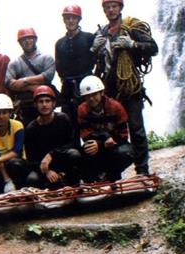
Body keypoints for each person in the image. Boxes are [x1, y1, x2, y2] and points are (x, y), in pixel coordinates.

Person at [91, 0, 158, 176]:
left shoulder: (131, 27)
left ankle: (142, 171)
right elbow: (93, 64)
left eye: (114, 6)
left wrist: (133, 45)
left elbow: (153, 48)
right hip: (109, 90)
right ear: (104, 10)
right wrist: (94, 49)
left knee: (136, 129)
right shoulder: (101, 33)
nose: (111, 10)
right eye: (107, 7)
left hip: (130, 87)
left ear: (120, 8)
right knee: (111, 132)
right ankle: (114, 172)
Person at [78, 75, 134, 183]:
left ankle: (112, 176)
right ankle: (93, 178)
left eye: (94, 94)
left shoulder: (115, 107)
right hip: (96, 145)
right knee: (82, 153)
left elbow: (123, 134)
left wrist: (112, 141)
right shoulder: (82, 110)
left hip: (116, 144)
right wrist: (101, 143)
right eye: (87, 96)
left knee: (126, 152)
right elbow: (85, 133)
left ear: (101, 92)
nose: (91, 99)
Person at [25, 85, 81, 189]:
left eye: (47, 101)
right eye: (40, 102)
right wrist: (47, 171)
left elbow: (72, 143)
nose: (44, 105)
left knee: (74, 154)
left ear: (53, 103)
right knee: (32, 179)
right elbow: (31, 159)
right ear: (35, 105)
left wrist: (52, 154)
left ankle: (72, 182)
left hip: (62, 161)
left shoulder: (63, 119)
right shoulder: (31, 129)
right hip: (43, 167)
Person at [55, 5, 95, 148]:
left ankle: (95, 162)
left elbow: (97, 60)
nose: (70, 20)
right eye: (67, 18)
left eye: (73, 17)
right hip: (67, 88)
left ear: (79, 19)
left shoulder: (89, 38)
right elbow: (58, 67)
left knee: (89, 123)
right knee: (69, 125)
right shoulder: (59, 43)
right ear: (64, 20)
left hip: (86, 86)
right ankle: (76, 164)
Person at [5, 27, 56, 126]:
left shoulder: (46, 58)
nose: (27, 41)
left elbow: (47, 77)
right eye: (24, 39)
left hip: (44, 103)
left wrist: (24, 81)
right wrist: (33, 87)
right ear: (20, 43)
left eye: (30, 38)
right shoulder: (15, 63)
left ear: (35, 39)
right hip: (24, 106)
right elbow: (9, 83)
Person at [0, 94, 28, 193]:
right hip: (0, 167)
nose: (1, 116)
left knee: (14, 164)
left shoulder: (18, 126)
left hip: (17, 164)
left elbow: (16, 152)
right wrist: (7, 180)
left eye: (4, 112)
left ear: (10, 113)